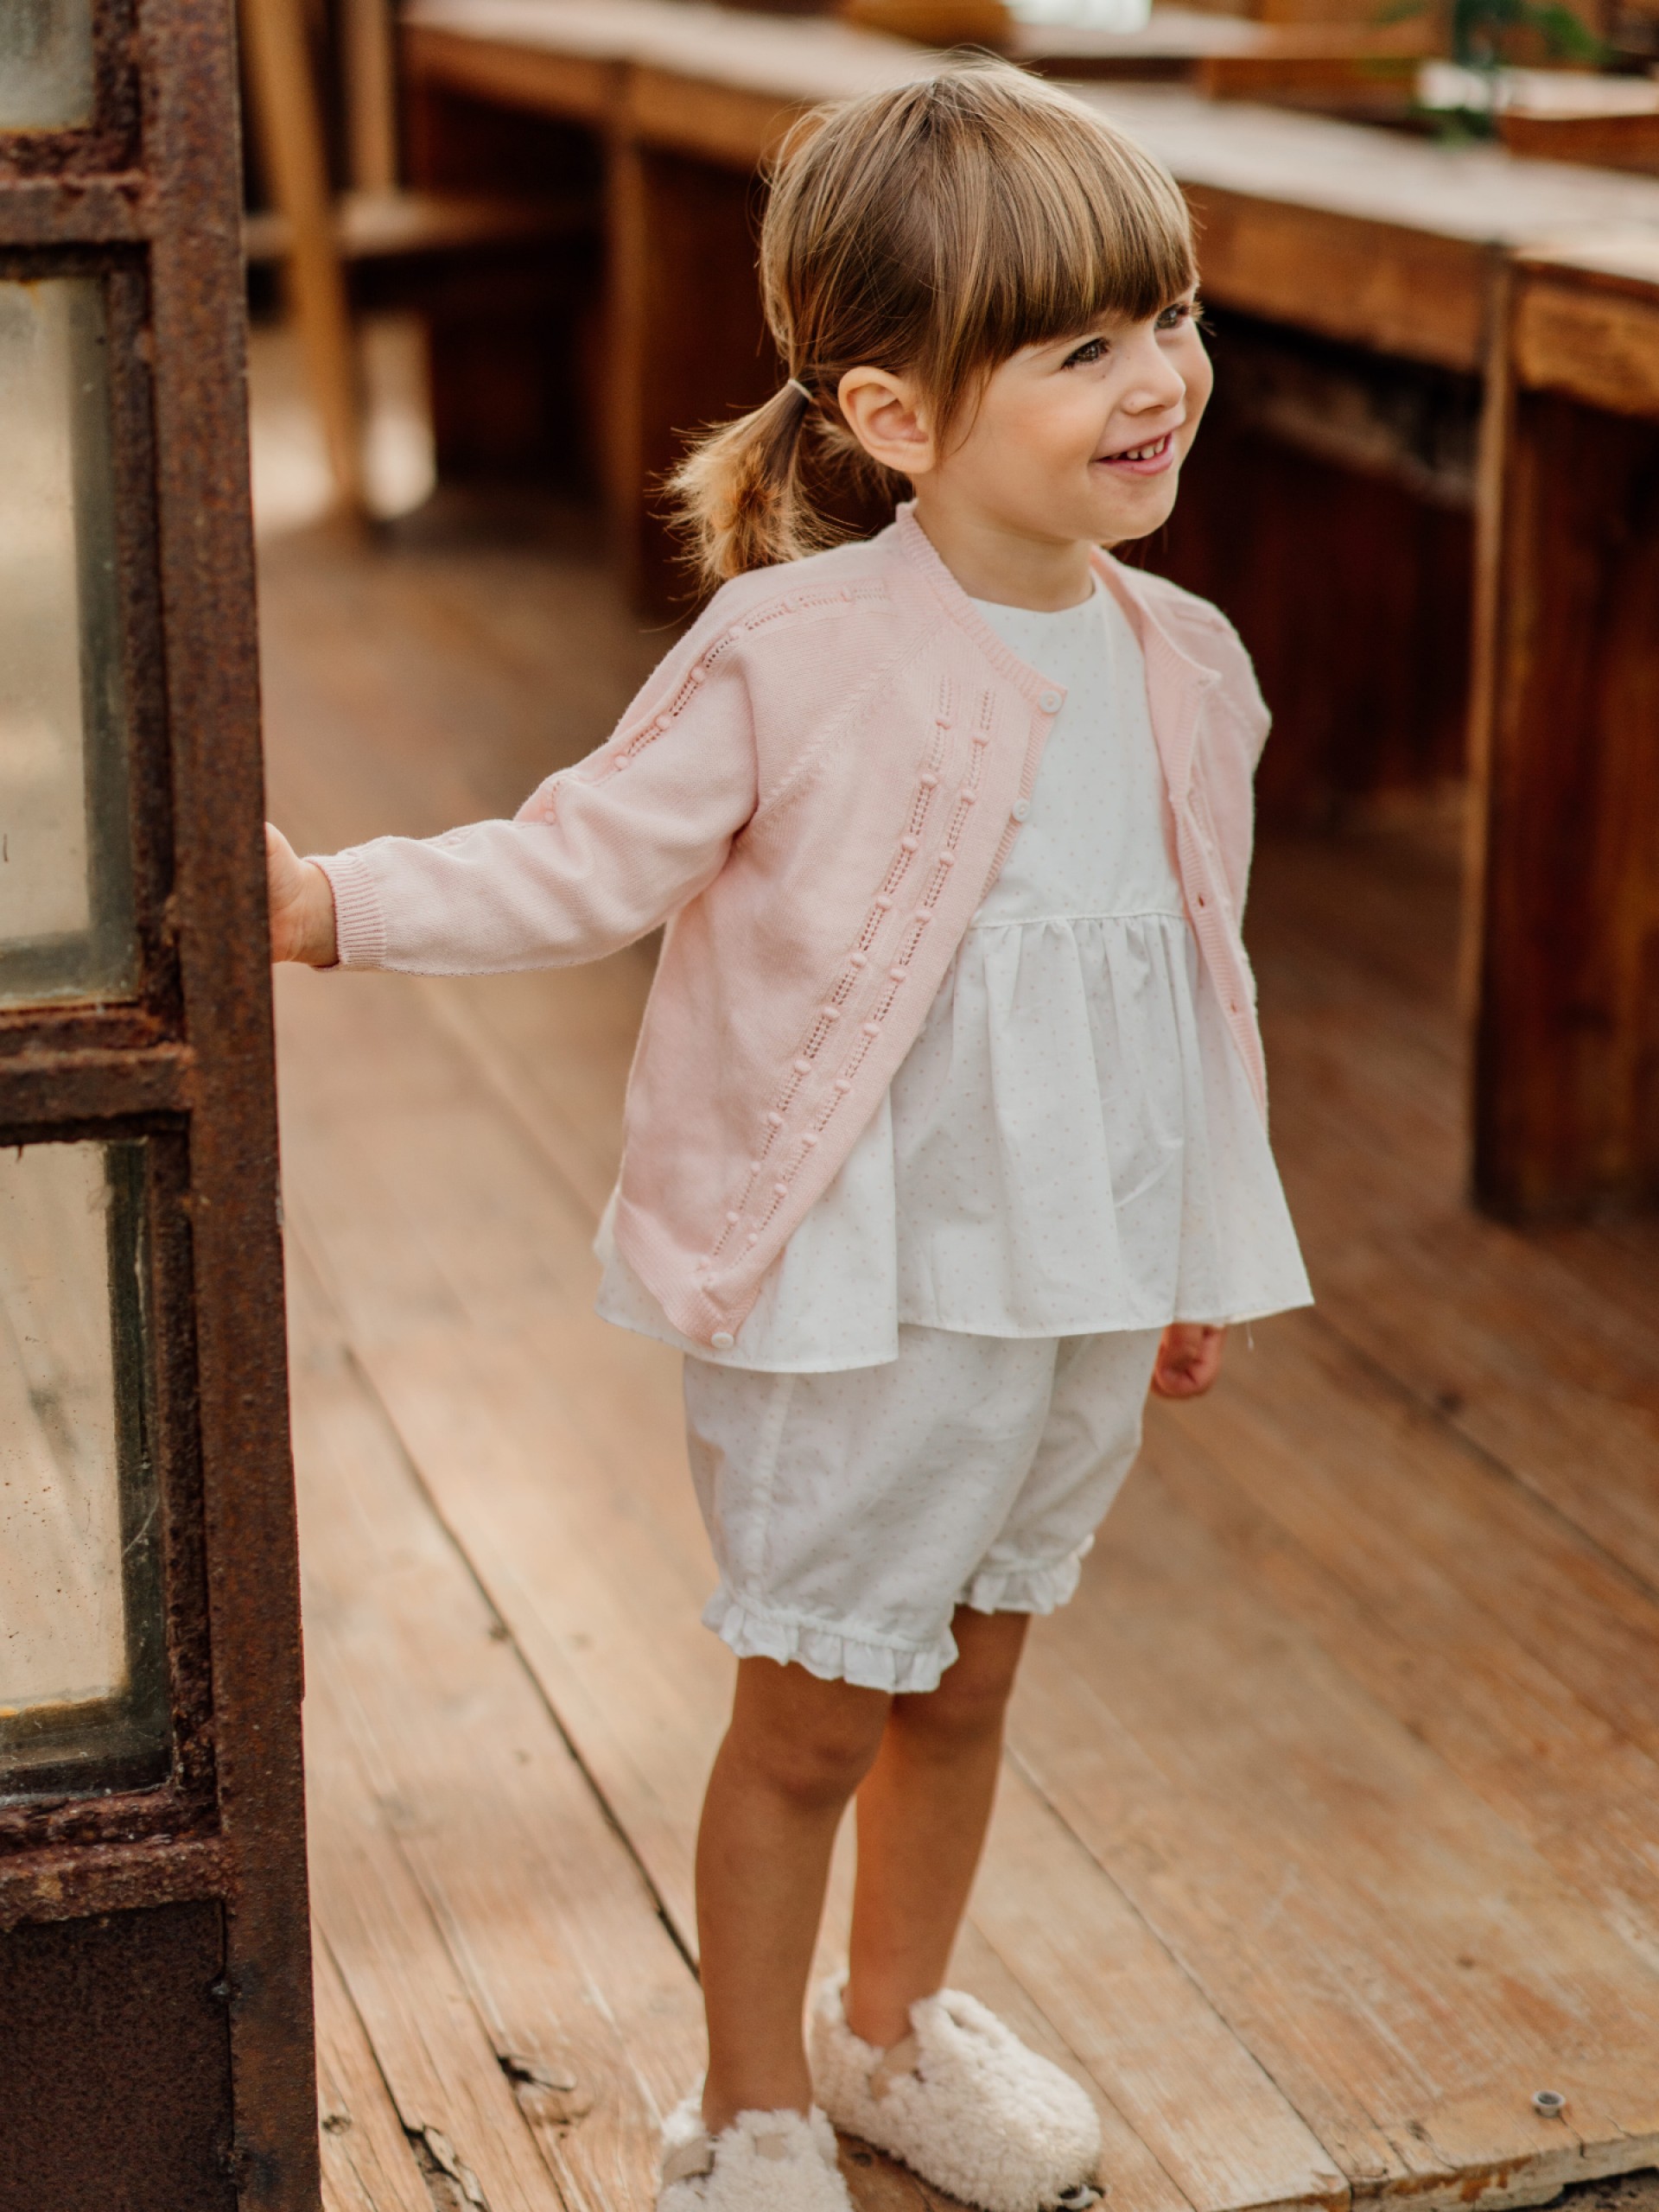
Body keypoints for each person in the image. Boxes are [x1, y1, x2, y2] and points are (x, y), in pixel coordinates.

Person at [266, 60, 1310, 2212]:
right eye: (1083, 346)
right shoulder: (796, 652)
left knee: (978, 1670)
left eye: (1175, 316)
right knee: (822, 1708)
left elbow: (1189, 980)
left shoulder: (1188, 664)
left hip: (1076, 1292)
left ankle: (888, 2029)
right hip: (862, 1296)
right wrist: (339, 902)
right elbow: (581, 862)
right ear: (898, 414)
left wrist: (1198, 1243)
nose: (1160, 383)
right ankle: (746, 2103)